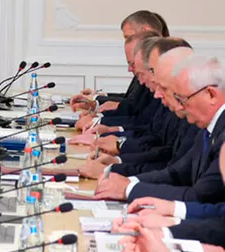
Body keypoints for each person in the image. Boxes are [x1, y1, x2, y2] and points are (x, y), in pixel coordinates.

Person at [93, 56, 225, 203]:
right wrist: (127, 182)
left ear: (211, 95)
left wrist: (128, 189)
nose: (179, 106)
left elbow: (202, 196)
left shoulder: (217, 130)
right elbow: (177, 173)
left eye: (182, 99)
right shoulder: (207, 127)